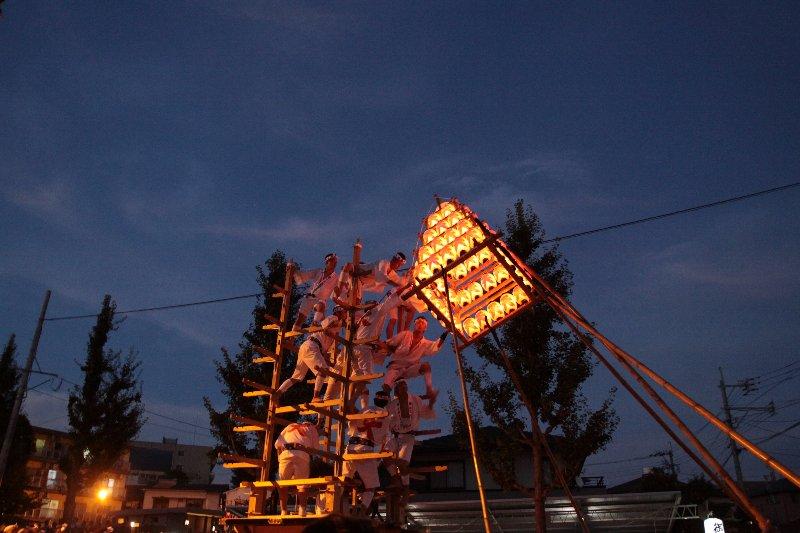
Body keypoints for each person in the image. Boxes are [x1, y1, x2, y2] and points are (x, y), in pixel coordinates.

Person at [342, 389, 391, 513]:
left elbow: (350, 408)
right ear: (387, 402)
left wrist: (358, 391)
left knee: (345, 481)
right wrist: (380, 455)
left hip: (350, 448)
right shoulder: (386, 415)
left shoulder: (365, 410)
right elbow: (383, 439)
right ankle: (360, 514)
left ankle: (339, 508)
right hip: (365, 448)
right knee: (371, 486)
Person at [277, 312, 343, 401]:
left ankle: (278, 392)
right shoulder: (333, 320)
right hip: (312, 346)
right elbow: (326, 326)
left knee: (296, 377)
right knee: (323, 370)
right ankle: (315, 397)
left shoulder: (332, 340)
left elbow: (323, 356)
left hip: (307, 347)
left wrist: (332, 365)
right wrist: (340, 323)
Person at [381, 317, 447, 403]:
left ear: (425, 328)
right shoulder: (405, 334)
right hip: (395, 366)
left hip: (409, 368)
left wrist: (446, 332)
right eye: (418, 322)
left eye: (422, 323)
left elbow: (436, 346)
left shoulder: (425, 343)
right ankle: (388, 406)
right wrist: (381, 345)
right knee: (386, 388)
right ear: (414, 325)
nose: (420, 324)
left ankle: (429, 390)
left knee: (426, 366)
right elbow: (390, 343)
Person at [385, 380, 436, 486]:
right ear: (397, 390)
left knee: (402, 463)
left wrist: (431, 404)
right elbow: (386, 420)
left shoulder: (415, 400)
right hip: (394, 436)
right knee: (385, 456)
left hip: (408, 436)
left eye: (405, 387)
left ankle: (405, 486)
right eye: (401, 387)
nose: (404, 389)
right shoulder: (392, 404)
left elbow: (425, 413)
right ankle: (396, 478)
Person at [274, 419, 321, 516]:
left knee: (282, 484)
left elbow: (277, 445)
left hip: (286, 454)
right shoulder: (312, 428)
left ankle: (283, 511)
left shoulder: (290, 426)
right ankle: (302, 510)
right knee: (302, 484)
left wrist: (279, 458)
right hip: (302, 455)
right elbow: (315, 450)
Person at [292, 253, 341, 331]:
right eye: (332, 261)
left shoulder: (336, 278)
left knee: (321, 306)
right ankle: (291, 339)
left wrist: (340, 292)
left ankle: (314, 324)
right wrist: (293, 271)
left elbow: (340, 290)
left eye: (335, 262)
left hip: (320, 299)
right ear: (327, 262)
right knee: (300, 319)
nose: (334, 264)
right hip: (309, 297)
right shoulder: (318, 271)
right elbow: (304, 275)